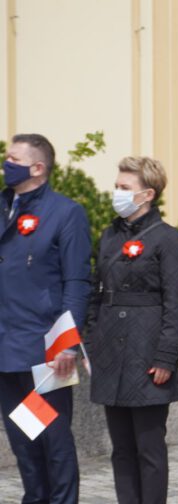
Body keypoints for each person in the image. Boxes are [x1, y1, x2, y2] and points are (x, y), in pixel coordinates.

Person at [85, 156, 178, 504]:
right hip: (111, 354)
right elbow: (96, 292)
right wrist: (91, 341)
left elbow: (175, 304)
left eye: (125, 187)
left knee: (149, 448)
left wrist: (166, 357)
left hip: (147, 355)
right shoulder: (109, 235)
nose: (117, 193)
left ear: (147, 194)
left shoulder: (168, 239)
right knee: (121, 449)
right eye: (117, 186)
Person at [0, 133, 91, 503]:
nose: (6, 164)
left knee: (52, 439)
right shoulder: (4, 206)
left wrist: (67, 344)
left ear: (37, 168)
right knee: (23, 438)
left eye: (14, 159)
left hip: (44, 352)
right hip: (6, 348)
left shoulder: (64, 212)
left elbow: (76, 281)